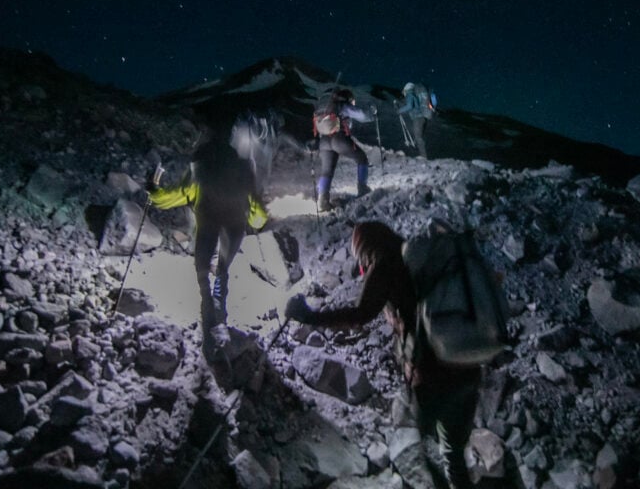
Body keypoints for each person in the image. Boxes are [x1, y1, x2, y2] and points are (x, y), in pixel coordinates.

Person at [285, 221, 481, 488]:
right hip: (469, 361)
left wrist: (310, 316)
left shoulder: (386, 264)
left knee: (424, 448)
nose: (361, 267)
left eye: (361, 258)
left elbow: (360, 315)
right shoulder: (416, 257)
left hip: (434, 374)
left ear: (365, 249)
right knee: (453, 450)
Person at [148, 125, 267, 346]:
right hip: (235, 227)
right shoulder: (244, 167)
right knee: (223, 267)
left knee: (202, 267)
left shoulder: (199, 167)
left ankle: (207, 308)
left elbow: (177, 195)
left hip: (208, 223)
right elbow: (256, 205)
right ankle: (219, 306)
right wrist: (257, 222)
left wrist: (154, 193)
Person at [313, 88, 375, 212]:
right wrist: (372, 114)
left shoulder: (322, 109)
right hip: (338, 138)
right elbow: (362, 116)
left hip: (324, 141)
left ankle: (322, 201)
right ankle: (363, 189)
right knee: (361, 158)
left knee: (326, 171)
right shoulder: (341, 105)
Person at [395, 82, 433, 159]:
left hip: (418, 118)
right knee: (417, 137)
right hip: (422, 118)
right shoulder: (413, 95)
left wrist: (399, 111)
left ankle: (423, 157)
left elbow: (409, 106)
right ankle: (420, 155)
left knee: (418, 137)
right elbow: (411, 105)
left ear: (406, 89)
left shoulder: (409, 95)